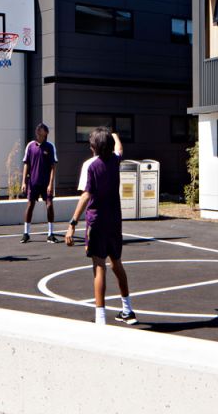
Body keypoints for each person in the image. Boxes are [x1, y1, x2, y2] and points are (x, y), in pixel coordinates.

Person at [66, 127, 136, 325]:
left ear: (94, 147)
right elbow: (120, 148)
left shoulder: (92, 166)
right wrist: (113, 133)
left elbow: (86, 195)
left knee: (99, 267)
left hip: (97, 221)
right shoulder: (115, 161)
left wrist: (72, 222)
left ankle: (100, 317)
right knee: (117, 263)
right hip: (114, 221)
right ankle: (127, 309)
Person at [20, 123, 58, 243]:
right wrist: (24, 182)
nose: (39, 133)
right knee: (30, 205)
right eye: (38, 131)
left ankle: (50, 234)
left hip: (46, 183)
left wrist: (51, 184)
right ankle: (26, 233)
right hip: (33, 182)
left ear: (46, 133)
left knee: (49, 205)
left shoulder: (50, 146)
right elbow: (26, 164)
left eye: (42, 131)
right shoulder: (30, 146)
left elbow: (53, 167)